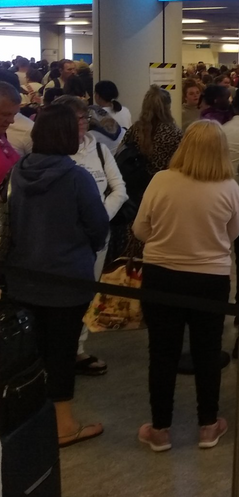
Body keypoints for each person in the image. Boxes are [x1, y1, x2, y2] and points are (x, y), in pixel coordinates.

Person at [134, 121, 239, 451]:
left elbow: (141, 229)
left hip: (161, 275)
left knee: (162, 353)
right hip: (210, 279)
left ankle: (160, 429)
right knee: (208, 353)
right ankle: (208, 426)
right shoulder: (229, 187)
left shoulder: (161, 181)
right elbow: (234, 233)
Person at [6, 104, 109, 447]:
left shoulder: (18, 170)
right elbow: (97, 227)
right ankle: (63, 424)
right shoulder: (76, 177)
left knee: (31, 353)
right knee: (62, 352)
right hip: (67, 280)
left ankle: (28, 415)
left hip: (22, 277)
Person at [51, 95, 129, 376]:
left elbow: (119, 188)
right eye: (76, 119)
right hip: (64, 239)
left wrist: (99, 218)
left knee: (87, 294)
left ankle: (77, 349)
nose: (82, 124)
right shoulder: (53, 153)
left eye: (84, 118)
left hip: (96, 236)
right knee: (62, 297)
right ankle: (56, 353)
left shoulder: (98, 150)